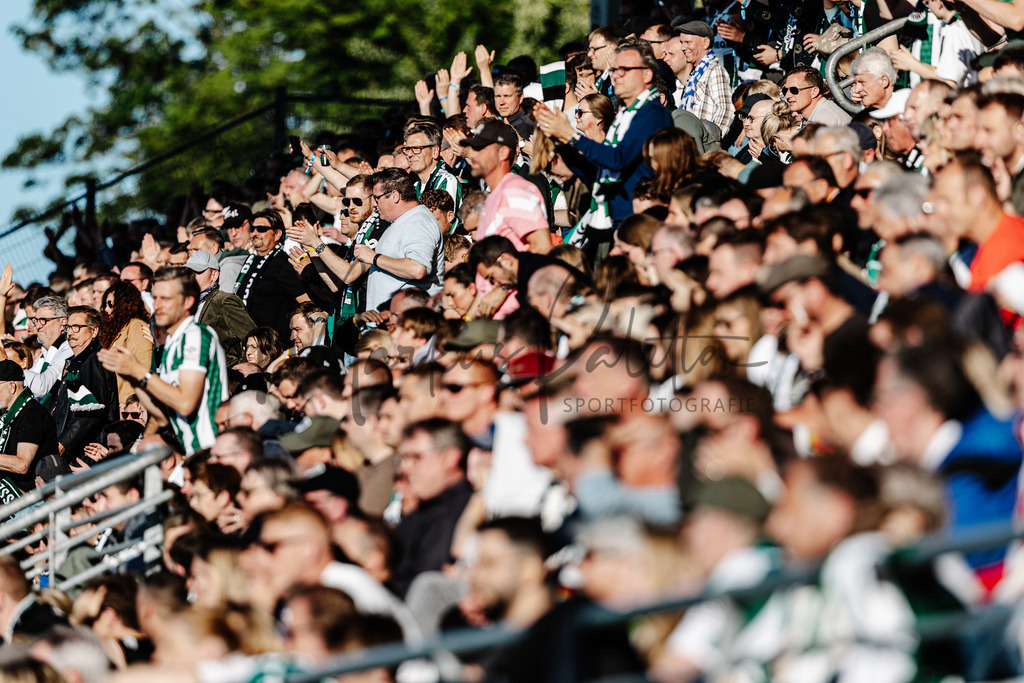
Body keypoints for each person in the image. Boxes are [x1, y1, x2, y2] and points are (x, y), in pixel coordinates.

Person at [99, 267, 228, 455]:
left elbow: (185, 404)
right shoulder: (172, 345)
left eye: (165, 299)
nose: (157, 305)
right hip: (185, 452)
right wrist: (132, 377)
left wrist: (139, 372)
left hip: (206, 450)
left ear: (188, 301)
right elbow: (161, 416)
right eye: (155, 297)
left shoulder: (196, 335)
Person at [393, 418, 474, 597]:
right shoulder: (423, 510)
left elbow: (424, 584)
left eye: (415, 458)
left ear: (449, 458)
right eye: (403, 459)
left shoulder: (455, 514)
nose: (404, 468)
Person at [349, 168, 446, 313]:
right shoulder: (404, 220)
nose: (374, 204)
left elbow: (417, 268)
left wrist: (374, 258)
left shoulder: (419, 221)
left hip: (407, 322)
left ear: (394, 196)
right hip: (387, 320)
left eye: (377, 198)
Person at [463, 120, 553, 253]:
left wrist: (506, 270)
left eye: (481, 149)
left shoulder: (516, 191)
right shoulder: (499, 191)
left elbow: (542, 246)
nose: (473, 155)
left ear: (503, 153)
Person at [51, 306, 119, 461]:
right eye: (68, 327)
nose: (70, 333)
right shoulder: (77, 363)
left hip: (88, 453)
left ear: (93, 331)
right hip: (76, 450)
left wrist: (62, 444)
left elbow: (90, 412)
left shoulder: (94, 361)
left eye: (77, 327)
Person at [234, 208, 309, 342]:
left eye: (261, 229)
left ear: (277, 234)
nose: (255, 233)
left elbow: (305, 301)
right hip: (248, 339)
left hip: (271, 344)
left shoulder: (284, 263)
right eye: (252, 229)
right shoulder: (250, 260)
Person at [185, 250, 256, 367]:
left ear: (214, 275)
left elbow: (252, 337)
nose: (191, 277)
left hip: (223, 374)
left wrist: (239, 369)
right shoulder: (187, 304)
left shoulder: (224, 300)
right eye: (189, 272)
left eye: (197, 271)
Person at [97, 280, 154, 407]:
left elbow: (142, 366)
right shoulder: (114, 331)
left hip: (125, 406)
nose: (106, 309)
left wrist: (128, 404)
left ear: (124, 304)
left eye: (110, 304)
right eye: (105, 304)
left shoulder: (136, 326)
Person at [674, 21, 735, 134]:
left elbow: (726, 109)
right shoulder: (695, 75)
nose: (683, 47)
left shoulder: (714, 70)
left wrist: (713, 142)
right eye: (681, 42)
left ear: (705, 43)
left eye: (688, 42)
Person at [781, 66, 851, 126]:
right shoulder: (819, 112)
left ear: (814, 92)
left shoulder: (825, 119)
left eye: (794, 90)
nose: (787, 96)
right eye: (785, 90)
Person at [850, 47, 898, 111]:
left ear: (884, 81)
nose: (856, 90)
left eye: (862, 82)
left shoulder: (907, 111)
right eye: (855, 83)